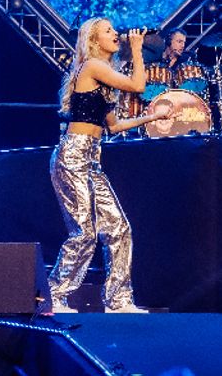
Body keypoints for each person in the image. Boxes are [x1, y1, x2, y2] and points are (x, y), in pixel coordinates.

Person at [49, 19, 168, 314]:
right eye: (108, 31)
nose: (116, 34)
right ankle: (55, 294)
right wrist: (137, 48)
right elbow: (138, 85)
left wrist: (151, 118)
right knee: (84, 233)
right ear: (93, 40)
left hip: (92, 158)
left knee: (119, 228)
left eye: (115, 30)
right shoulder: (91, 66)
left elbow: (113, 126)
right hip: (72, 156)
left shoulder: (104, 78)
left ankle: (118, 300)